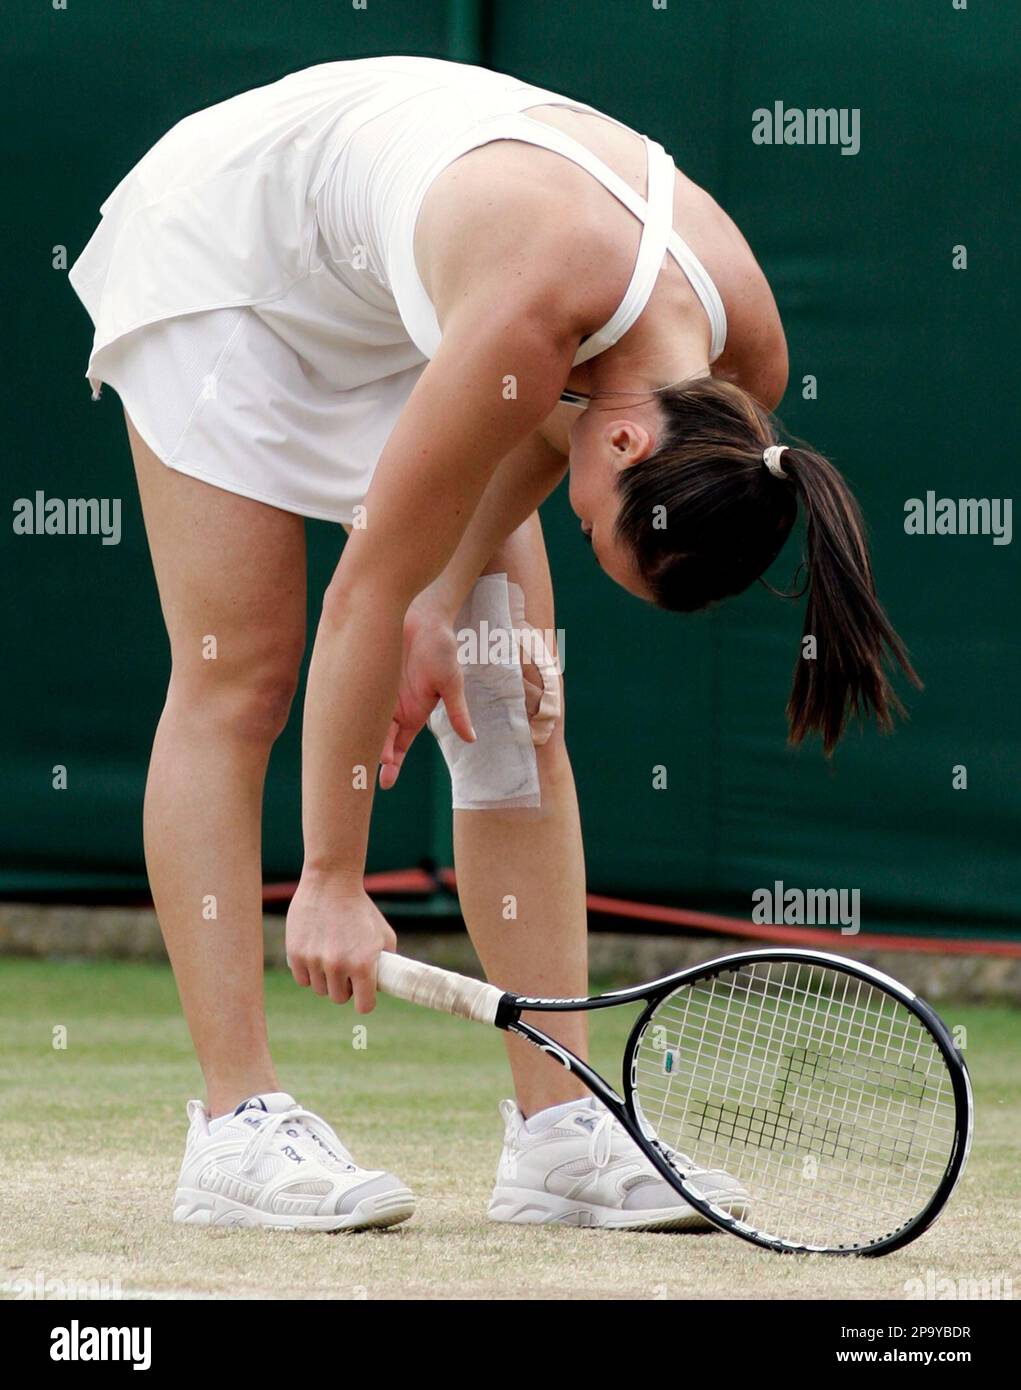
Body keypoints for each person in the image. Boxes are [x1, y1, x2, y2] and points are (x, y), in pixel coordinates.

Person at [68, 55, 917, 1233]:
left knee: (506, 681)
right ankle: (235, 1122)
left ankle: (559, 1128)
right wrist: (330, 878)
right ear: (625, 447)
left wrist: (452, 590)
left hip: (411, 292)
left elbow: (524, 443)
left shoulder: (732, 371)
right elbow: (364, 588)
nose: (567, 528)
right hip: (233, 249)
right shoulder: (536, 323)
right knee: (241, 667)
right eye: (588, 527)